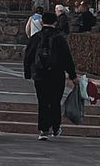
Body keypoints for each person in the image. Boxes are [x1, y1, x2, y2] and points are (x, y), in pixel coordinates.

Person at [23, 10, 77, 139]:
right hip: (56, 74)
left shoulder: (35, 38)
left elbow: (28, 55)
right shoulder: (59, 38)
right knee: (55, 101)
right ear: (55, 22)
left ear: (42, 22)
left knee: (42, 101)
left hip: (40, 74)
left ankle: (43, 129)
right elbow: (67, 58)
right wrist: (73, 75)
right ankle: (56, 127)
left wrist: (27, 72)